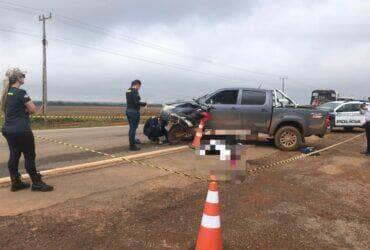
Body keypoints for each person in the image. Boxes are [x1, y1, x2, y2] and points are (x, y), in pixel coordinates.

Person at [1, 68, 53, 192]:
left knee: (14, 155)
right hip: (22, 130)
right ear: (18, 78)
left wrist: (24, 111)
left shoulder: (6, 93)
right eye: (23, 75)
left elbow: (10, 111)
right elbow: (33, 109)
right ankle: (36, 183)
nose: (24, 77)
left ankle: (16, 182)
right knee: (30, 156)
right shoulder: (21, 92)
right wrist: (28, 111)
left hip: (8, 129)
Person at [125, 79, 146, 151]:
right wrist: (144, 104)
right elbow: (136, 102)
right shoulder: (134, 91)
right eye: (139, 86)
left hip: (128, 110)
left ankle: (133, 140)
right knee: (133, 129)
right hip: (134, 111)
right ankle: (132, 146)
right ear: (137, 85)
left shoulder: (128, 90)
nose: (139, 88)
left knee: (132, 127)